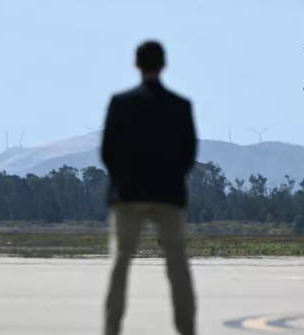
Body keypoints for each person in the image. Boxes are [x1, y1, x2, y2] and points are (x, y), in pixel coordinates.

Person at [101, 40, 198, 335]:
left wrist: (123, 180)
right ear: (163, 64)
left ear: (136, 64)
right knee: (177, 265)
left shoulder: (121, 103)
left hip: (129, 196)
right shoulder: (180, 106)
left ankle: (111, 328)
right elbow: (188, 152)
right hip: (168, 196)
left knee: (120, 264)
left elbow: (108, 151)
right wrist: (171, 179)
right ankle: (186, 329)